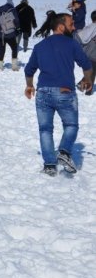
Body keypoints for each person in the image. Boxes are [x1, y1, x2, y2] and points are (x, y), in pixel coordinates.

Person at [24, 13, 93, 176]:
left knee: (45, 129)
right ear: (61, 26)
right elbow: (87, 64)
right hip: (65, 92)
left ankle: (49, 165)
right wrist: (88, 79)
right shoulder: (72, 44)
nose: (74, 27)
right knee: (71, 126)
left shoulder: (40, 46)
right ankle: (64, 152)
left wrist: (29, 86)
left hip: (43, 93)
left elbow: (29, 69)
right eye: (71, 24)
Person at [0, 0, 21, 71]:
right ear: (12, 4)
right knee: (14, 48)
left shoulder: (0, 9)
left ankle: (0, 66)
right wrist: (18, 28)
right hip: (10, 34)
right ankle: (14, 66)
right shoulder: (12, 10)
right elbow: (16, 20)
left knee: (2, 50)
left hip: (0, 34)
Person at [75, 10, 96, 95]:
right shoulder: (92, 27)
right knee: (92, 72)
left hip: (90, 53)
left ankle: (81, 84)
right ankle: (88, 91)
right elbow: (82, 37)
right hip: (91, 54)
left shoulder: (90, 27)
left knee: (92, 71)